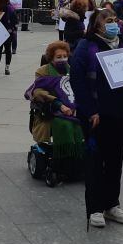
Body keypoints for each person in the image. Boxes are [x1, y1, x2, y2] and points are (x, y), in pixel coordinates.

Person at [71, 9, 123, 229]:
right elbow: (78, 81)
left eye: (114, 20)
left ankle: (112, 204)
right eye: (106, 20)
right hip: (96, 115)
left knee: (115, 161)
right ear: (96, 24)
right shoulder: (86, 46)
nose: (112, 23)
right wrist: (90, 110)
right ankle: (94, 208)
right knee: (95, 161)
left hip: (120, 113)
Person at [26, 40, 85, 177]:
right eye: (59, 57)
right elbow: (38, 91)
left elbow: (78, 89)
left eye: (65, 56)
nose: (63, 59)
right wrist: (59, 104)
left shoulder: (71, 70)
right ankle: (61, 163)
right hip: (51, 111)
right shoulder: (43, 71)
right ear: (51, 57)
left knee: (80, 125)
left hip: (73, 109)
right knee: (65, 124)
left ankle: (77, 162)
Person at [0, 0, 18, 75]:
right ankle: (7, 68)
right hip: (8, 32)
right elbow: (15, 21)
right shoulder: (11, 8)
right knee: (8, 51)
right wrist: (13, 29)